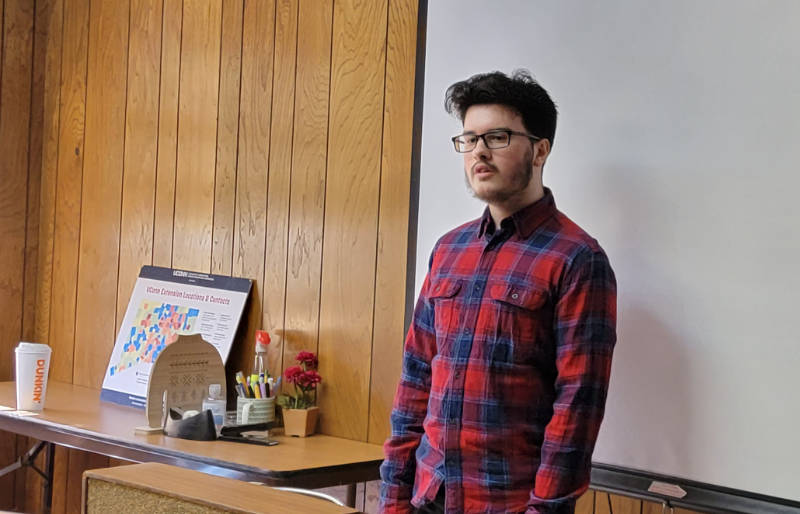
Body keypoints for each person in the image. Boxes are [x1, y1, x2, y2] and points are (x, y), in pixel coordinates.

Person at [379, 70, 617, 514]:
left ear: (540, 149)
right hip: (429, 497)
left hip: (509, 503)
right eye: (468, 140)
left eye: (498, 137)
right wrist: (393, 497)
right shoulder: (449, 250)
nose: (479, 152)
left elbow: (578, 406)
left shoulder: (577, 259)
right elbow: (416, 378)